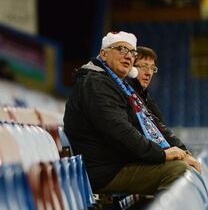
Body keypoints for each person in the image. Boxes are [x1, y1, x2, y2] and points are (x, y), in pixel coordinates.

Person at [63, 31, 196, 195]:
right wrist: (161, 155)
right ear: (103, 54)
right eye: (121, 49)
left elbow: (152, 124)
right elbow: (118, 131)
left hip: (117, 163)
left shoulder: (120, 86)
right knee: (178, 171)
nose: (128, 56)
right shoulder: (95, 83)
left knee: (186, 165)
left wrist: (183, 151)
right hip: (103, 171)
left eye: (132, 53)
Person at [128, 46, 200, 171]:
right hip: (133, 161)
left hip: (148, 156)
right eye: (144, 66)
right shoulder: (126, 96)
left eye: (152, 68)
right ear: (131, 69)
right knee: (181, 169)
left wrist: (184, 151)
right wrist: (167, 154)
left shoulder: (145, 98)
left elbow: (160, 129)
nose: (149, 73)